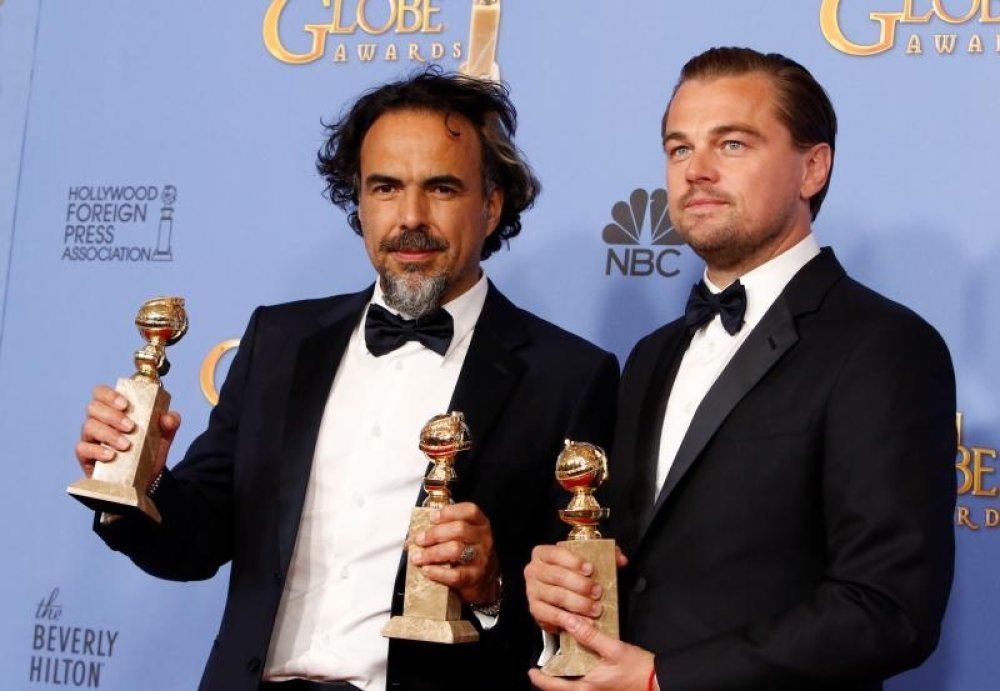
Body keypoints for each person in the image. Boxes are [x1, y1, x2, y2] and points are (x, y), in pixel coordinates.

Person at [75, 68, 618, 691]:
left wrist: (490, 590)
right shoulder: (279, 342)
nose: (410, 217)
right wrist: (140, 483)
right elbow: (194, 545)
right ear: (358, 201)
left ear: (491, 205)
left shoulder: (568, 376)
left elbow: (579, 624)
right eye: (385, 187)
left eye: (441, 188)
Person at [524, 47, 956, 691]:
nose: (695, 170)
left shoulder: (884, 345)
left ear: (812, 168)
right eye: (679, 148)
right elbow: (639, 563)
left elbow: (889, 609)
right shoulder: (651, 354)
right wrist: (565, 586)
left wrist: (663, 679)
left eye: (731, 144)